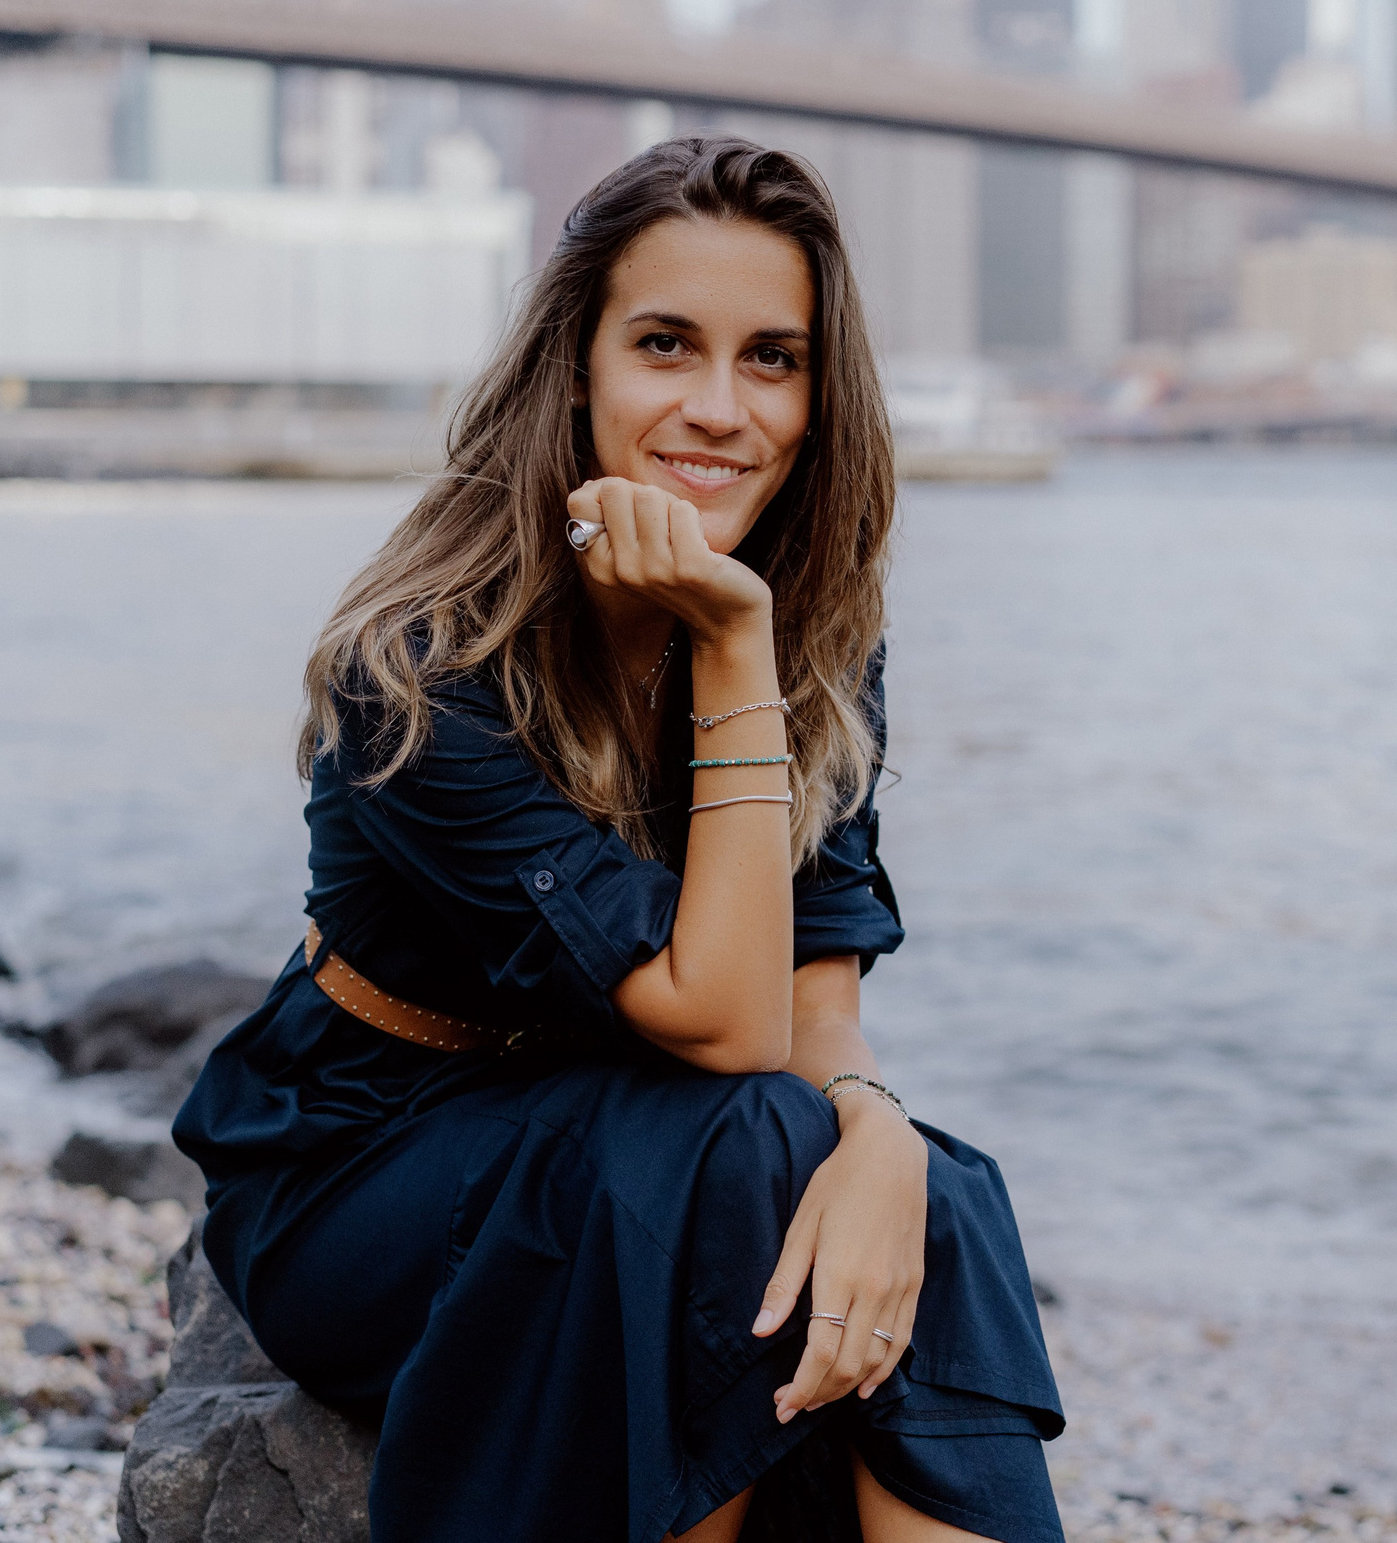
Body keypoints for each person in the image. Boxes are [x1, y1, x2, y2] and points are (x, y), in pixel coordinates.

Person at [173, 136, 1064, 1542]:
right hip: (370, 1166)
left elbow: (811, 1002)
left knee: (926, 1197)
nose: (719, 408)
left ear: (822, 397)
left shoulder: (821, 636)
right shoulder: (423, 669)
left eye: (772, 359)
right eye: (665, 345)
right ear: (575, 368)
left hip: (646, 1133)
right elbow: (727, 1027)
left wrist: (880, 1134)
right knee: (742, 1141)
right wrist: (729, 643)